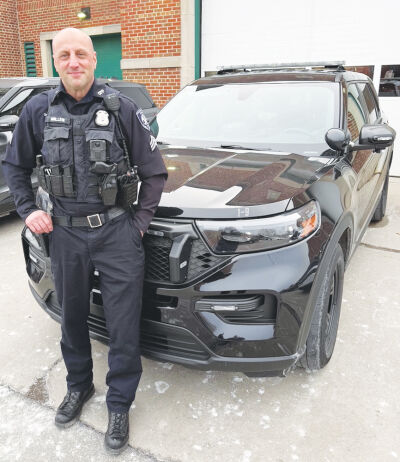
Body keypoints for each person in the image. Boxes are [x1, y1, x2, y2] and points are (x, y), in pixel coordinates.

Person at [3, 27, 167, 455]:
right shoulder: (38, 111)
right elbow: (15, 168)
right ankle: (79, 388)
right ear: (55, 63)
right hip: (65, 234)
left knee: (123, 326)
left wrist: (138, 226)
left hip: (117, 233)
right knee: (71, 318)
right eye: (64, 56)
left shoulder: (122, 109)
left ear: (94, 60)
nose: (73, 62)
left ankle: (119, 404)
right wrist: (28, 209)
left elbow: (154, 173)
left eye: (81, 54)